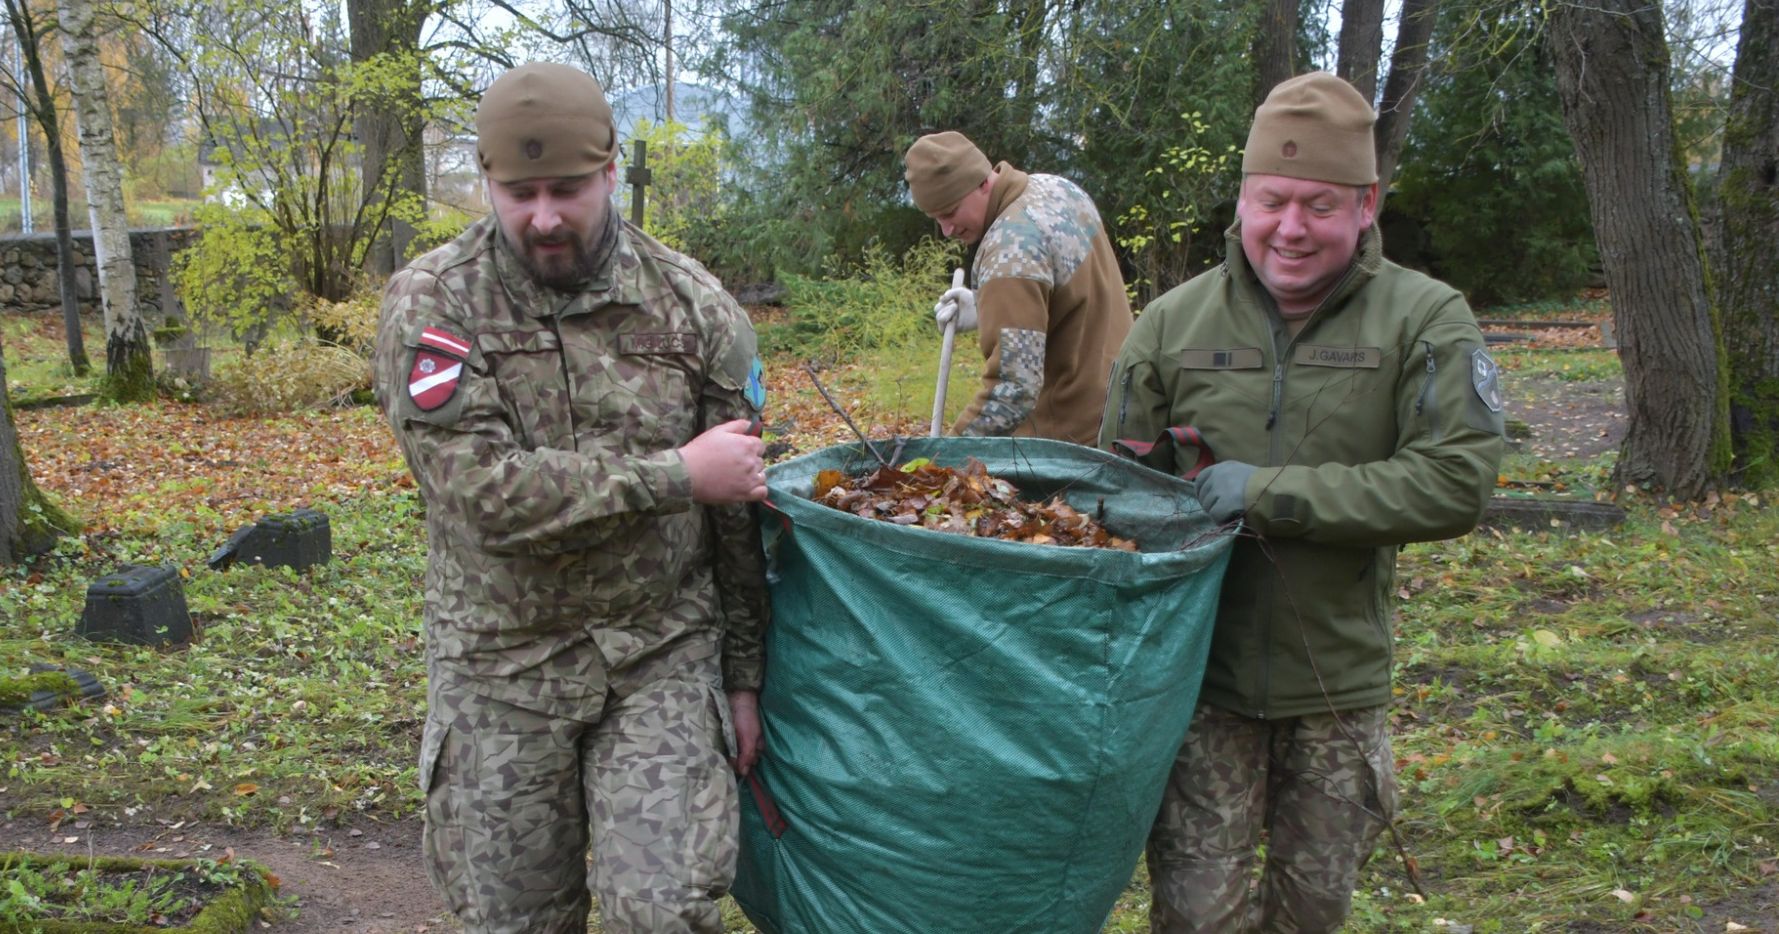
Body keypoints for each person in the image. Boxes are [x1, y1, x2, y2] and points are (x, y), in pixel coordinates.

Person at [1098, 72, 1505, 932]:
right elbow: (1111, 497)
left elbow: (1454, 483)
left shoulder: (1424, 319)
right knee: (1195, 916)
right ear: (1241, 201)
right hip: (1198, 685)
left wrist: (1267, 493)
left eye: (1318, 205)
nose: (1289, 228)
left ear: (1365, 205)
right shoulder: (1168, 325)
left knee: (1312, 912)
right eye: (1270, 201)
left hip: (1337, 688)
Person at [371, 62, 771, 934]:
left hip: (657, 653)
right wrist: (674, 475)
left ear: (610, 171)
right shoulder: (435, 304)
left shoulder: (693, 305)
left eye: (567, 190)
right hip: (499, 664)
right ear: (486, 182)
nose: (544, 217)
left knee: (662, 913)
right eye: (520, 194)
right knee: (512, 919)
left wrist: (743, 680)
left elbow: (738, 511)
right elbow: (475, 490)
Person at [903, 131, 1133, 444]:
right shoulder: (1057, 190)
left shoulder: (1009, 248)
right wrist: (987, 305)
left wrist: (943, 456)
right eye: (936, 219)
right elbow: (1061, 294)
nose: (946, 230)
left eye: (950, 212)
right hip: (1125, 410)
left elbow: (1012, 391)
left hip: (1073, 443)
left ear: (982, 183)